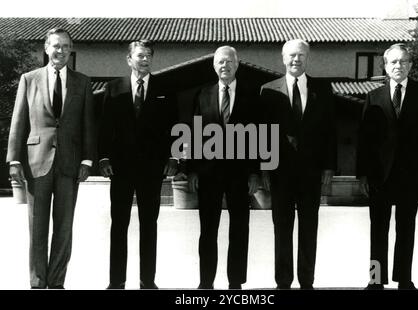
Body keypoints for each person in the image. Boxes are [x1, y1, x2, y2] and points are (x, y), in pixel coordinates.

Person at [6, 28, 96, 289]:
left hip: (70, 163)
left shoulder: (82, 82)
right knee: (37, 227)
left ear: (71, 50)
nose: (61, 51)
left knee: (64, 227)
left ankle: (56, 282)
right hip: (37, 162)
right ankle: (37, 281)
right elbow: (19, 120)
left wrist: (88, 160)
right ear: (46, 48)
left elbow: (88, 124)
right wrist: (14, 160)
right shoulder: (29, 79)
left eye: (66, 47)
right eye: (56, 46)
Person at [357, 43, 418, 290]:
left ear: (410, 65)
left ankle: (404, 279)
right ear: (385, 65)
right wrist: (362, 173)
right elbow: (364, 139)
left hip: (411, 173)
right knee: (378, 231)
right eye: (393, 62)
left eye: (403, 61)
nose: (398, 66)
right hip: (379, 175)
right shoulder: (374, 96)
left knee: (406, 229)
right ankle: (376, 280)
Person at [98, 40, 177, 289]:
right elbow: (104, 128)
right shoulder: (113, 88)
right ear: (129, 59)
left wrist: (174, 158)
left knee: (149, 224)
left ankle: (147, 280)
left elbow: (174, 127)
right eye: (140, 55)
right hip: (120, 168)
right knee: (119, 224)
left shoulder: (165, 88)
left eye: (149, 56)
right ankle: (116, 281)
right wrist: (103, 157)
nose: (145, 60)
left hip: (152, 169)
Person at [260, 39, 337, 290]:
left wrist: (328, 167)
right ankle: (283, 282)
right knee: (282, 229)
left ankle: (307, 282)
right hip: (280, 174)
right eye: (291, 55)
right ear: (283, 58)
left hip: (311, 173)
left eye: (301, 55)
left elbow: (330, 132)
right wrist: (263, 169)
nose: (296, 60)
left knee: (308, 228)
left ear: (307, 58)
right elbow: (263, 135)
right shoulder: (268, 91)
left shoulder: (323, 89)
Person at [187, 46, 259, 289]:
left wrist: (254, 172)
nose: (224, 66)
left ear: (237, 65)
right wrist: (193, 170)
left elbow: (258, 137)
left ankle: (236, 282)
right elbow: (194, 134)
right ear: (214, 66)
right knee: (207, 230)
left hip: (240, 175)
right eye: (220, 62)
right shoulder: (202, 94)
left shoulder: (252, 95)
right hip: (209, 174)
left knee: (239, 229)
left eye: (229, 61)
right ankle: (206, 281)